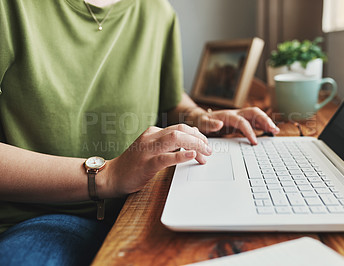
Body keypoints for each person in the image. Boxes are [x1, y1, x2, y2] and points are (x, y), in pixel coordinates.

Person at [0, 0, 280, 265]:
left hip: (149, 203)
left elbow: (171, 101)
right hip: (43, 216)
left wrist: (202, 118)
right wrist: (108, 175)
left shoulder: (158, 11)